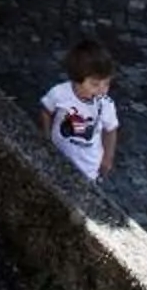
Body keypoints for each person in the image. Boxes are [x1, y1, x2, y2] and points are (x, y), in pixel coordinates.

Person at [39, 37, 119, 184]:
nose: (102, 90)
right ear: (77, 79)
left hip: (88, 166)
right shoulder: (60, 94)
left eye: (106, 84)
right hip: (59, 156)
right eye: (95, 84)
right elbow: (46, 110)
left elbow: (111, 130)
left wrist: (108, 158)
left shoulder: (106, 105)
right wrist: (46, 137)